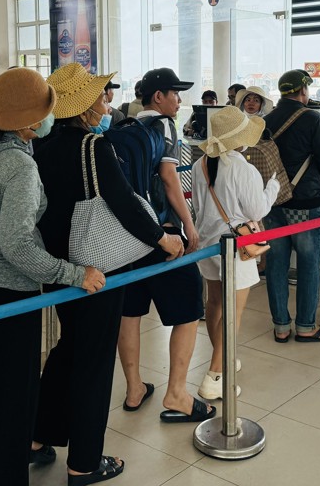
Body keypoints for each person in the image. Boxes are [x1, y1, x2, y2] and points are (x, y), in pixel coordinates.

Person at [0, 67, 106, 486]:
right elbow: (18, 246)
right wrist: (74, 274)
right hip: (9, 294)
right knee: (12, 396)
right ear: (30, 121)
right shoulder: (21, 168)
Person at [32, 64, 182, 482]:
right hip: (96, 266)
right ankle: (84, 462)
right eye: (101, 97)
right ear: (83, 107)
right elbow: (123, 202)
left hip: (56, 265)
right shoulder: (93, 146)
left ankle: (38, 435)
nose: (106, 103)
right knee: (95, 362)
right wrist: (161, 239)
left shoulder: (40, 146)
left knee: (69, 348)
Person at [118, 67, 213, 423]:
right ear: (158, 97)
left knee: (130, 313)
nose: (179, 99)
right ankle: (176, 393)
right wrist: (190, 226)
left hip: (126, 239)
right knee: (189, 310)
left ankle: (133, 388)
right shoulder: (165, 126)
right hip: (162, 235)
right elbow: (170, 180)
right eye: (175, 93)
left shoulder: (121, 127)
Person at [192, 106, 278, 399]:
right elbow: (257, 210)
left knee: (214, 303)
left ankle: (223, 358)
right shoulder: (243, 168)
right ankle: (215, 374)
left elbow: (200, 210)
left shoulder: (200, 163)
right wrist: (274, 188)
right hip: (235, 248)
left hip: (207, 246)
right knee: (234, 313)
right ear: (240, 138)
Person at [263, 69, 320, 342]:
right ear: (303, 91)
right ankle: (306, 326)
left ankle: (281, 326)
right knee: (308, 264)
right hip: (305, 203)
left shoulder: (265, 120)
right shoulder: (313, 119)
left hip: (272, 202)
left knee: (276, 264)